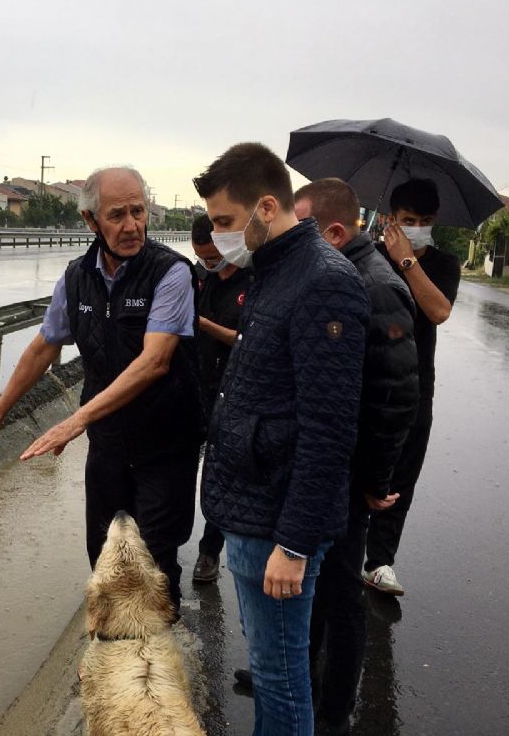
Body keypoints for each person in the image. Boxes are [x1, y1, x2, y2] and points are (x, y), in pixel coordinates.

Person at [0, 166, 202, 613]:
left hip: (165, 445)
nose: (132, 225)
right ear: (91, 222)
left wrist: (76, 419)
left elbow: (154, 361)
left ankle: (155, 667)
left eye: (138, 211)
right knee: (104, 559)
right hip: (109, 446)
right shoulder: (77, 276)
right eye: (117, 215)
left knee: (154, 565)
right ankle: (112, 656)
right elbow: (44, 346)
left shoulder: (170, 273)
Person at [193, 143, 369, 735]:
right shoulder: (274, 270)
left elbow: (330, 429)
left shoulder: (323, 281)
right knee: (271, 670)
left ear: (266, 207)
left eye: (224, 222)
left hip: (276, 522)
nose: (219, 236)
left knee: (282, 673)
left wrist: (293, 545)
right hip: (252, 504)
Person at [295, 178, 420, 735]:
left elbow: (396, 397)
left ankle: (334, 710)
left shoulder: (377, 286)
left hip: (351, 471)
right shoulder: (337, 277)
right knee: (315, 584)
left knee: (342, 593)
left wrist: (374, 479)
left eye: (302, 233)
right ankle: (302, 677)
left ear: (336, 233)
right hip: (328, 463)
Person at [363, 177, 461, 596]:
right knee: (358, 470)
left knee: (402, 475)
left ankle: (379, 561)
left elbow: (438, 311)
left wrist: (408, 262)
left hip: (416, 386)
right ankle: (340, 547)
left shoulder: (443, 264)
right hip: (368, 381)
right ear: (390, 219)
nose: (416, 227)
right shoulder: (368, 257)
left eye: (423, 221)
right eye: (408, 220)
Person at [189, 213, 253, 584]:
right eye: (203, 259)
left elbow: (249, 340)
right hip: (195, 385)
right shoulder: (196, 277)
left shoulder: (253, 278)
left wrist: (204, 325)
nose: (210, 265)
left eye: (215, 258)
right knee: (181, 465)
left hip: (235, 391)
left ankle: (209, 552)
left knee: (221, 474)